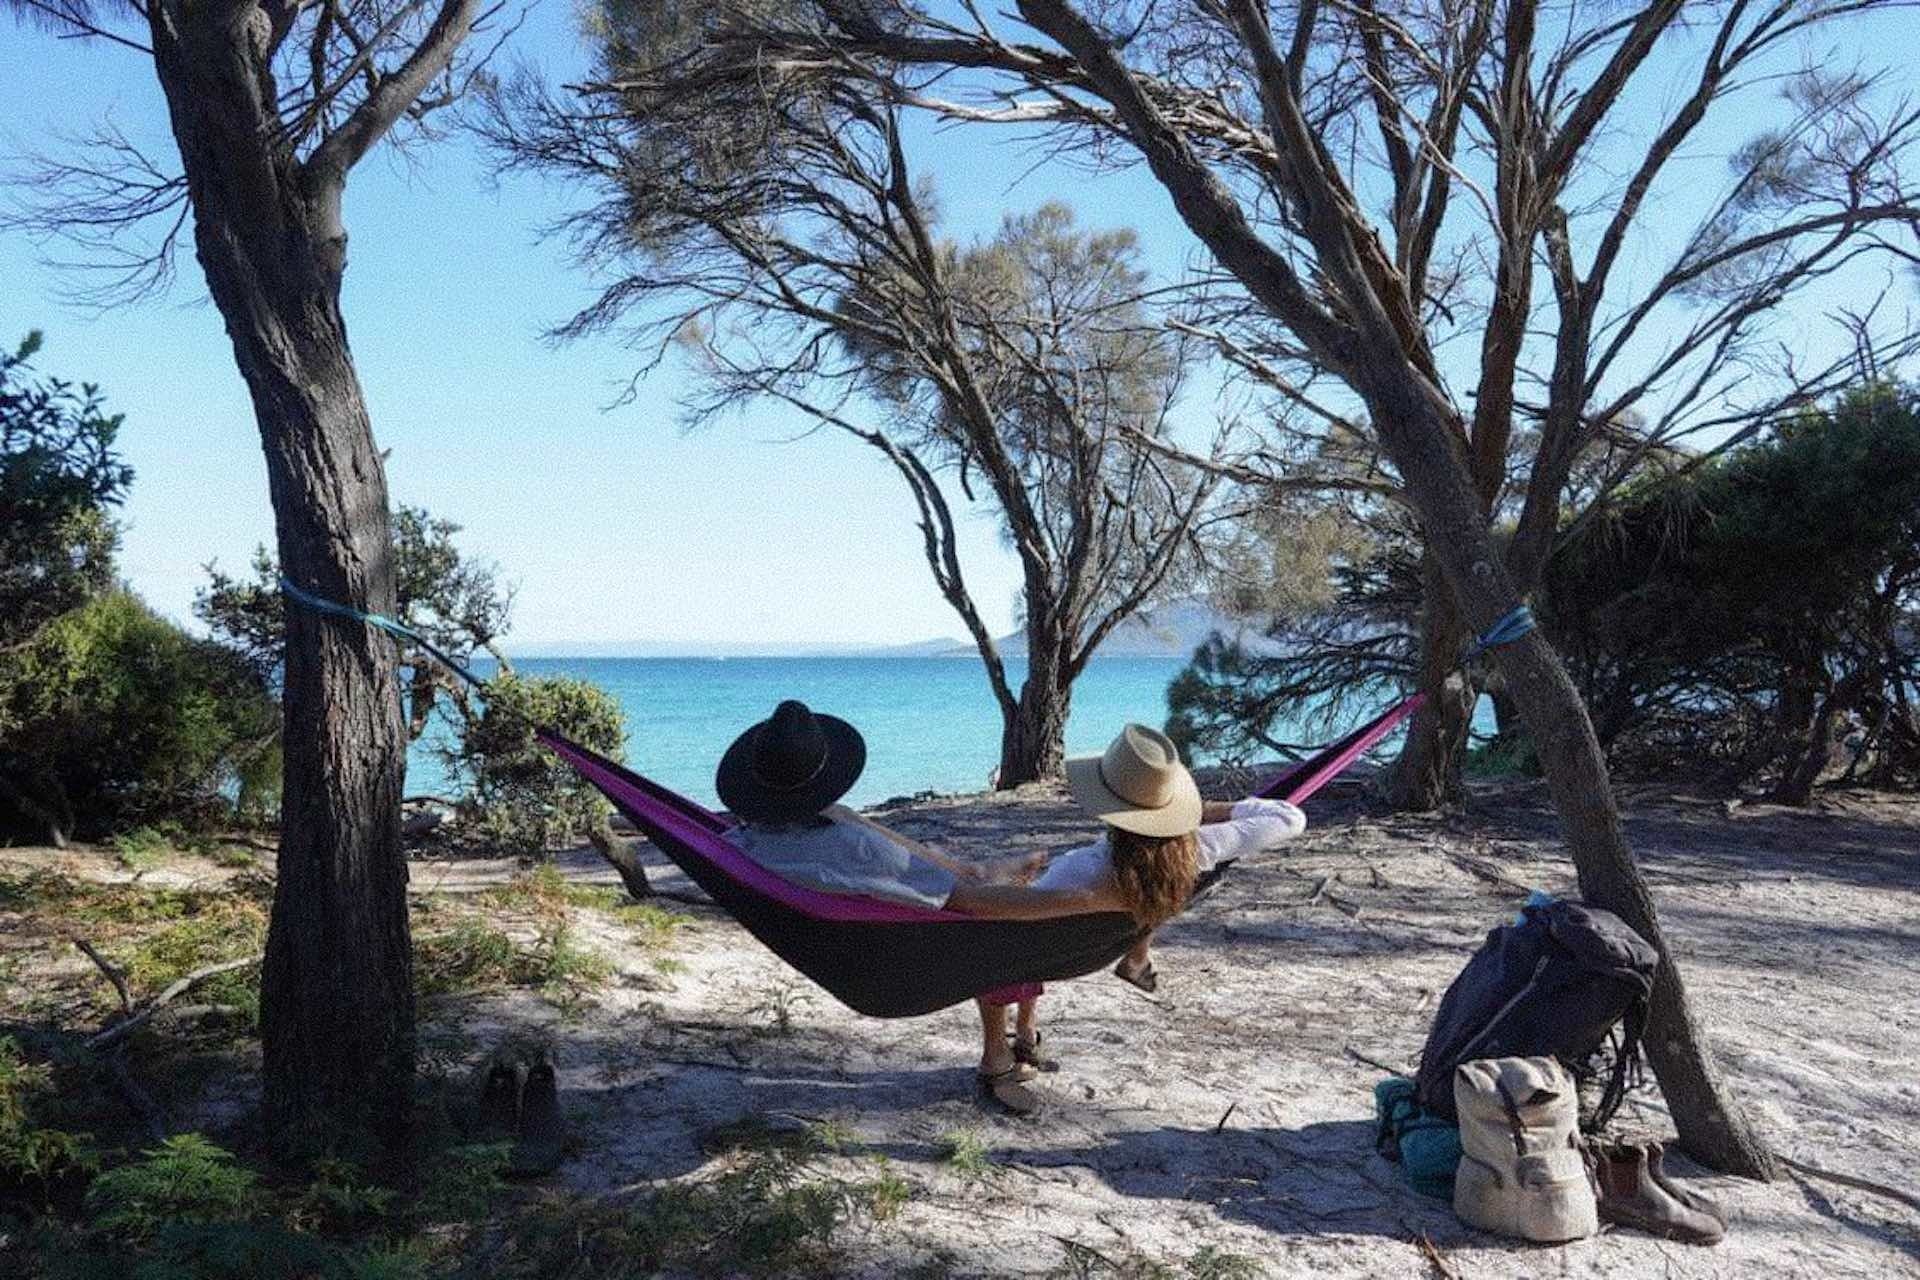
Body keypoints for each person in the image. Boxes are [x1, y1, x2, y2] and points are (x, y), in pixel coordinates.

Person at [968, 723, 1307, 1112]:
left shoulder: (1081, 871)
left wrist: (1010, 879)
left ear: (1108, 805)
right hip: (1094, 947)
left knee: (995, 940)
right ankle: (1029, 1032)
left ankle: (997, 1057)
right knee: (1032, 940)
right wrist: (1192, 817)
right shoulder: (1197, 853)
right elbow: (1289, 818)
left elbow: (1014, 913)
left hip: (1042, 947)